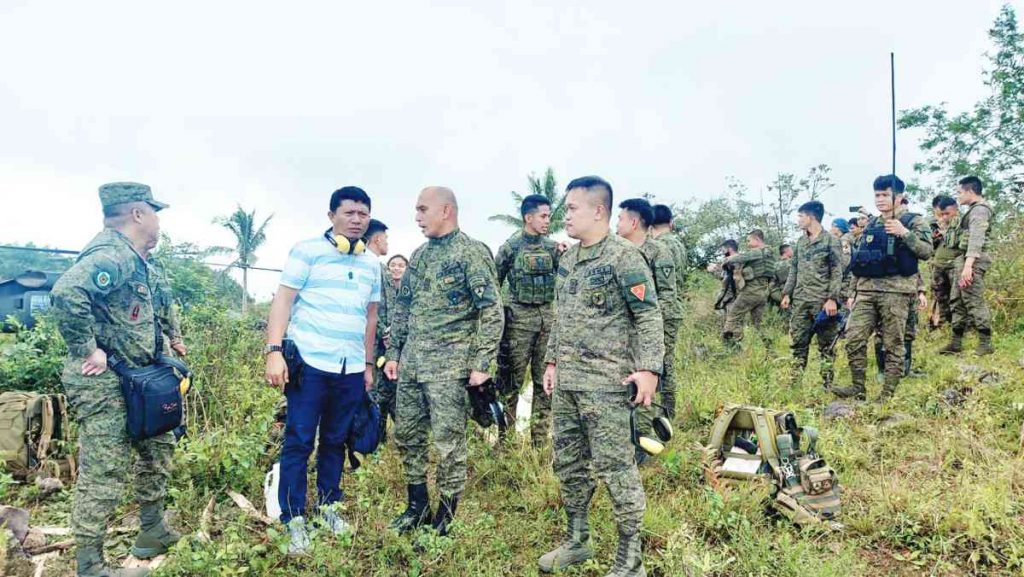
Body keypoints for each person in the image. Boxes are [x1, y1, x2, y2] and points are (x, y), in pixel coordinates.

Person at [50, 182, 178, 577]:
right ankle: (90, 565)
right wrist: (88, 350)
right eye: (153, 211)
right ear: (138, 214)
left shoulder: (137, 258)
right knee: (105, 469)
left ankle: (152, 530)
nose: (158, 220)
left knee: (158, 449)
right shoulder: (110, 254)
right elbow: (66, 293)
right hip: (106, 384)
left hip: (143, 379)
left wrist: (172, 337)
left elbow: (151, 301)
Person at [539, 176, 663, 576]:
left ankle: (631, 561)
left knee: (616, 468)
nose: (565, 216)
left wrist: (648, 369)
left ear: (598, 211)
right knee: (569, 465)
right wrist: (552, 361)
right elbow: (561, 317)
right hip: (569, 385)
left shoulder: (624, 258)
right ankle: (578, 540)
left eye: (572, 208)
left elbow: (647, 315)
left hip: (607, 385)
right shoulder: (569, 260)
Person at [264, 186, 381, 555]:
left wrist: (366, 363)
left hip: (349, 367)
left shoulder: (371, 264)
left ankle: (329, 507)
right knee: (299, 439)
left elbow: (371, 316)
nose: (357, 220)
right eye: (349, 213)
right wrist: (274, 352)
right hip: (311, 363)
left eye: (363, 214)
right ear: (331, 216)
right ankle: (293, 518)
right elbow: (283, 301)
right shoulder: (307, 251)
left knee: (336, 439)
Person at [384, 187, 503, 537]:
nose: (417, 217)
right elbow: (403, 306)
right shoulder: (419, 255)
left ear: (446, 210)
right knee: (407, 434)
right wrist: (394, 355)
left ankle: (446, 515)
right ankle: (416, 506)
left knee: (449, 443)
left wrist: (482, 363)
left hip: (451, 368)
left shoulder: (471, 253)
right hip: (413, 365)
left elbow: (491, 311)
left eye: (423, 209)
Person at [832, 175, 932, 402]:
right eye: (877, 195)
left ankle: (887, 394)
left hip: (896, 292)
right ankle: (858, 388)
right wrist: (852, 292)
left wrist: (903, 233)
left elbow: (926, 251)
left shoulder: (914, 222)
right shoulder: (872, 224)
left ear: (899, 196)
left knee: (893, 344)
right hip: (866, 292)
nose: (880, 199)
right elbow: (860, 261)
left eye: (885, 194)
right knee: (854, 338)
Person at [616, 198, 679, 465]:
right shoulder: (620, 251)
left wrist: (655, 334)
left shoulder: (657, 252)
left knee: (657, 370)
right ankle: (635, 429)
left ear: (633, 222)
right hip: (632, 324)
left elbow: (666, 295)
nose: (615, 224)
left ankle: (652, 430)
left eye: (619, 218)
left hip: (659, 321)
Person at [494, 194, 559, 445]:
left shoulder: (553, 248)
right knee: (510, 386)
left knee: (546, 386)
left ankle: (540, 442)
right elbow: (493, 284)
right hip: (517, 327)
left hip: (547, 326)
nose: (547, 221)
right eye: (543, 216)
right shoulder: (511, 247)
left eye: (549, 216)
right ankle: (506, 442)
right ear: (527, 217)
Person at [781, 201, 843, 388]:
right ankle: (794, 384)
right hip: (800, 301)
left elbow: (837, 270)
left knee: (826, 346)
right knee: (798, 343)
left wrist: (832, 298)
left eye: (801, 216)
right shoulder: (800, 242)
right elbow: (794, 269)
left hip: (822, 302)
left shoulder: (831, 240)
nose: (798, 220)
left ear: (812, 217)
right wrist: (787, 293)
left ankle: (827, 386)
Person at [941, 176, 995, 356]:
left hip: (972, 261)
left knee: (973, 300)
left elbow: (976, 239)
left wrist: (968, 266)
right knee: (957, 300)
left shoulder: (979, 210)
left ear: (970, 191)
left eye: (960, 192)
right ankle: (956, 342)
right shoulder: (973, 210)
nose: (958, 196)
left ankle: (985, 343)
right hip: (963, 260)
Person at [364, 219, 398, 433]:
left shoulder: (371, 264)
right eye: (386, 238)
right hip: (376, 341)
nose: (387, 243)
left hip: (376, 339)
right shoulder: (374, 267)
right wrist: (388, 331)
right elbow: (377, 306)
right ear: (377, 238)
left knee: (382, 390)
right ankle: (372, 438)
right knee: (376, 390)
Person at [719, 229, 775, 345]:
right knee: (759, 324)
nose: (748, 244)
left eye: (749, 240)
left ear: (757, 239)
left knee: (733, 314)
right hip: (763, 292)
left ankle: (728, 346)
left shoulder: (759, 252)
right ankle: (770, 350)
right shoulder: (768, 255)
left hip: (751, 291)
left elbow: (741, 257)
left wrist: (727, 260)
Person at [928, 195, 960, 329]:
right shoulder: (932, 224)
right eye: (938, 213)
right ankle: (941, 324)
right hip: (938, 264)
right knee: (939, 296)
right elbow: (929, 246)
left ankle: (959, 325)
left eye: (944, 213)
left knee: (956, 297)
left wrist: (946, 232)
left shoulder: (959, 222)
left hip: (954, 264)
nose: (941, 216)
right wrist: (936, 235)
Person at [768, 244, 793, 310]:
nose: (792, 252)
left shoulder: (775, 265)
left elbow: (772, 283)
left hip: (778, 293)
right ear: (787, 251)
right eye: (791, 250)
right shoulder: (792, 264)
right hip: (792, 293)